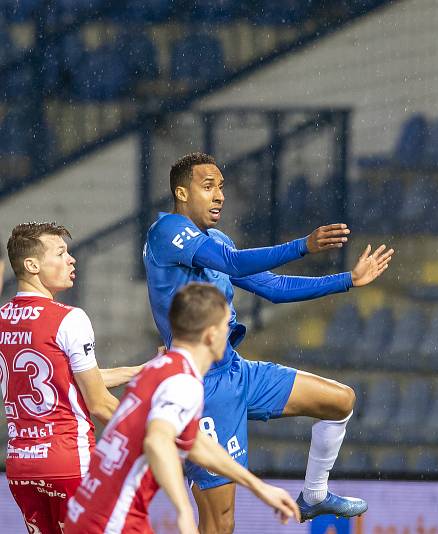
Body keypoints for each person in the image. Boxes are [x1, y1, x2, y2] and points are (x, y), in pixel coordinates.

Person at [143, 152, 393, 531]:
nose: (219, 196)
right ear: (181, 192)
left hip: (236, 370)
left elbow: (273, 288)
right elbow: (233, 263)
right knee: (220, 522)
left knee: (340, 401)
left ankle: (315, 495)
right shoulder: (166, 233)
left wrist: (347, 280)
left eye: (221, 188)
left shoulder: (217, 241)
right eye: (207, 187)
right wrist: (302, 247)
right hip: (200, 387)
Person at [64, 283, 300, 534]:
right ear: (211, 335)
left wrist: (259, 488)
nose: (230, 332)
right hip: (113, 522)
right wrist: (184, 511)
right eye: (226, 326)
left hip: (90, 511)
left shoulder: (160, 368)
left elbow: (196, 443)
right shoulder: (183, 381)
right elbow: (157, 441)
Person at [1, 222, 141, 534]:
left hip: (21, 466)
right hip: (69, 462)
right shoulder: (69, 318)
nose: (71, 259)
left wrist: (139, 370)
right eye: (61, 252)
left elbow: (63, 380)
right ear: (33, 265)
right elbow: (100, 403)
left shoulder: (2, 319)